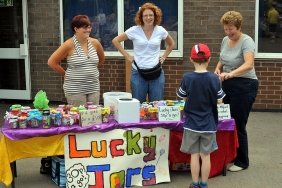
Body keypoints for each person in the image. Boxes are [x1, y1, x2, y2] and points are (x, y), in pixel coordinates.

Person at [214, 11, 259, 172]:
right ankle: (230, 155)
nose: (228, 32)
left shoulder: (247, 41)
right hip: (227, 83)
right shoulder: (225, 40)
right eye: (226, 29)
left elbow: (249, 64)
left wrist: (231, 74)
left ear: (239, 27)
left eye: (231, 29)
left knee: (238, 122)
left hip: (245, 85)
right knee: (226, 120)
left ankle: (242, 161)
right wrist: (218, 69)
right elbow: (222, 58)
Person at [177, 43, 225, 188]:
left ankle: (195, 183)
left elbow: (182, 98)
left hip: (191, 123)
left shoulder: (187, 78)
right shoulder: (214, 79)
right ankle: (204, 184)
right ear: (209, 59)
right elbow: (220, 101)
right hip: (209, 124)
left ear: (191, 59)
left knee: (194, 155)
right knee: (206, 156)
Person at [112, 2, 175, 103]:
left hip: (156, 73)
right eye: (145, 15)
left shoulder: (160, 30)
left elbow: (171, 44)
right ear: (141, 17)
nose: (148, 18)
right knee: (138, 105)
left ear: (155, 16)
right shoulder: (134, 30)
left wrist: (164, 57)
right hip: (138, 73)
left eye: (151, 15)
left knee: (157, 105)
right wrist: (127, 55)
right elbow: (115, 41)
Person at [48, 15, 105, 106]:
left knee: (93, 116)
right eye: (84, 27)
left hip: (93, 87)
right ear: (76, 29)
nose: (88, 30)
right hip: (75, 88)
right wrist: (65, 74)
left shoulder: (95, 43)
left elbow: (102, 59)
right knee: (79, 116)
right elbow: (51, 62)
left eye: (89, 27)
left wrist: (90, 69)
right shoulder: (68, 44)